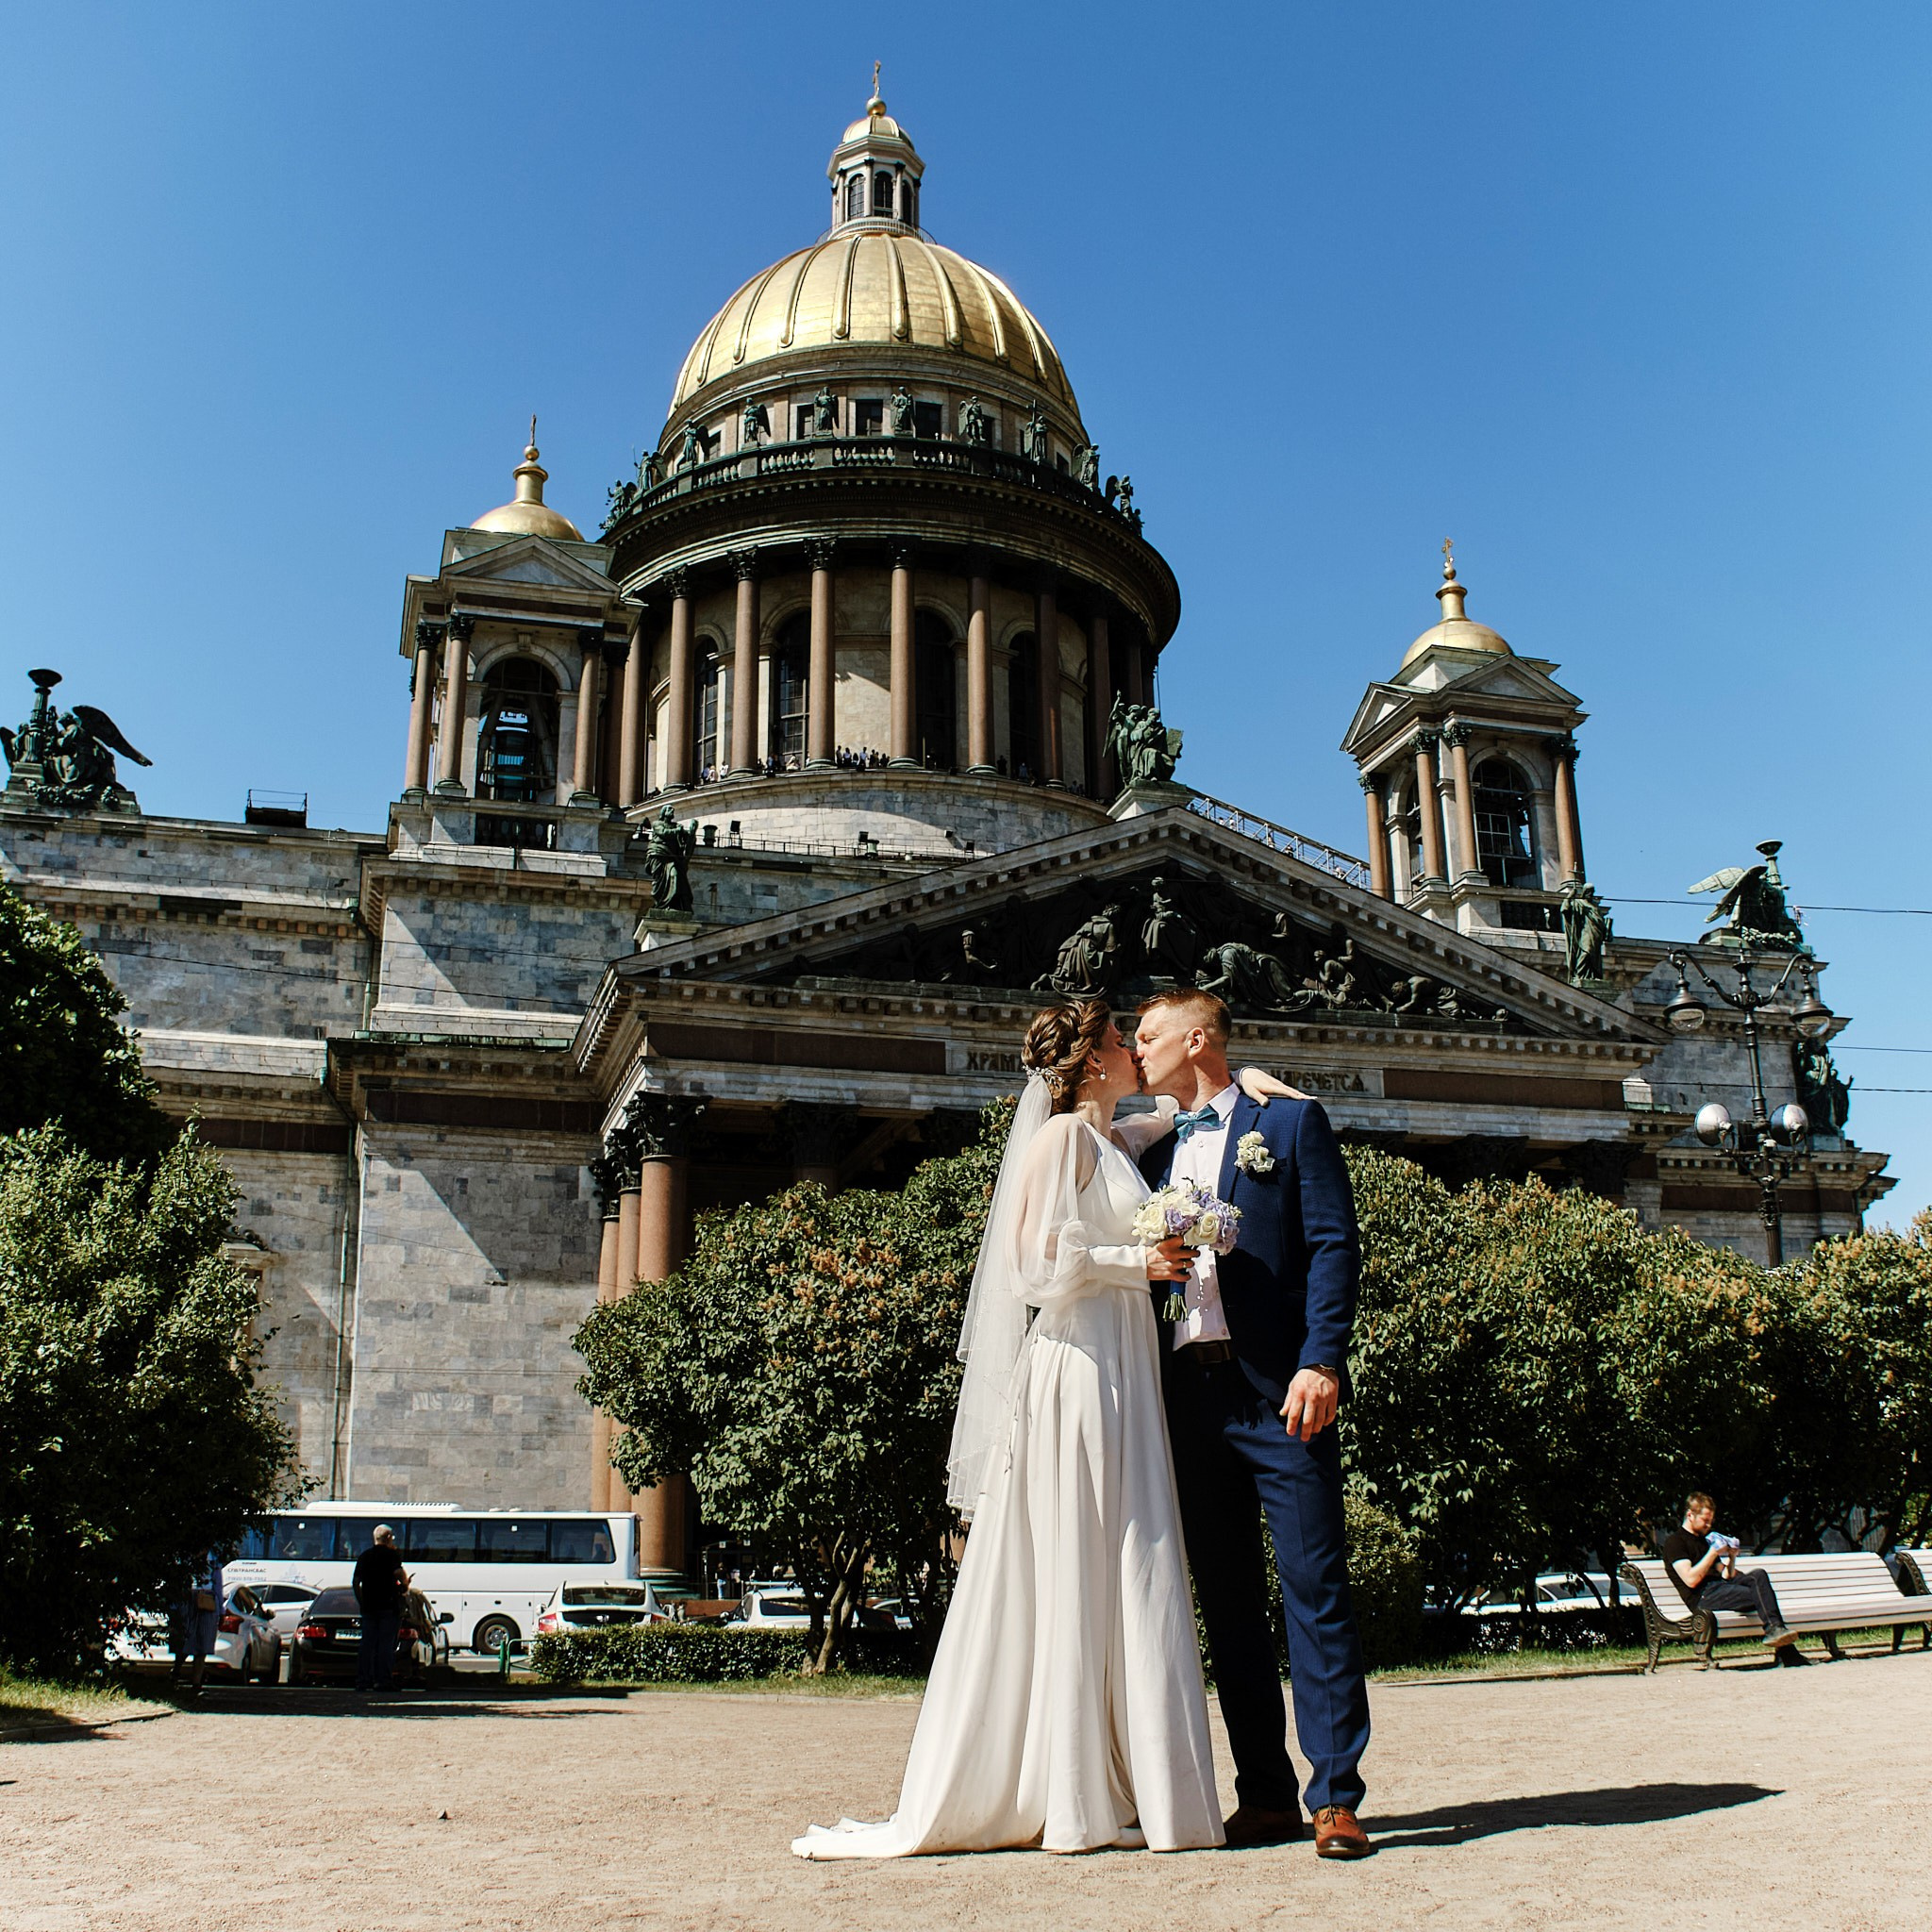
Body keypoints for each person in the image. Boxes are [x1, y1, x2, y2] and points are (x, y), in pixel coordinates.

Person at [792, 1000, 1299, 1858]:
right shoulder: (1060, 1138)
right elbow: (1029, 1266)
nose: (1135, 1048)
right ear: (1089, 1059)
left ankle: (1115, 1780)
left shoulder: (1110, 1141)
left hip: (1125, 1365)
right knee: (1087, 1557)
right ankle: (1070, 1791)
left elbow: (1185, 1113)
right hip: (1079, 1367)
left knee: (1123, 1560)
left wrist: (1250, 1081)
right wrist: (1131, 1262)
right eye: (1119, 1039)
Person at [1132, 989, 1374, 1860]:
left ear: (1198, 1038)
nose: (1136, 1048)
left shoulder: (1293, 1125)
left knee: (1315, 1592)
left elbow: (1333, 1245)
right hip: (1189, 1400)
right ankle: (1264, 1793)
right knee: (1228, 1606)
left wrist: (1322, 1360)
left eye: (1148, 1035)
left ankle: (1336, 1796)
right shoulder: (1153, 1144)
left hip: (1280, 1393)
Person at [1659, 1493, 1804, 1660]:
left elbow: (1726, 1574)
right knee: (1760, 1595)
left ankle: (1776, 1631)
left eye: (1711, 1520)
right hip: (1703, 1596)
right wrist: (1713, 1552)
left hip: (1721, 1587)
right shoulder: (1675, 1543)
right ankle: (1784, 1646)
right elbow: (1690, 1580)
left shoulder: (1704, 1541)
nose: (1709, 1524)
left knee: (1758, 1575)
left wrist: (1732, 1556)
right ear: (1690, 1515)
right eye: (1705, 1520)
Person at [352, 1524, 409, 1692]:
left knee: (367, 1646)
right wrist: (405, 1584)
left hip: (369, 1607)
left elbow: (355, 1582)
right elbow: (399, 1574)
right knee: (385, 1646)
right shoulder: (391, 1555)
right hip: (387, 1606)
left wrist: (361, 1601)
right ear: (389, 1538)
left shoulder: (365, 1556)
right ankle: (383, 1680)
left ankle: (363, 1680)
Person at [169, 1550, 225, 1698]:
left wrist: (221, 1611)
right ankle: (175, 1674)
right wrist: (173, 1606)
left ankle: (196, 1683)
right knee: (184, 1641)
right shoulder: (183, 1558)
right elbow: (176, 1582)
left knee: (204, 1643)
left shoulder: (213, 1560)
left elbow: (218, 1586)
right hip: (187, 1599)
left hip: (207, 1601)